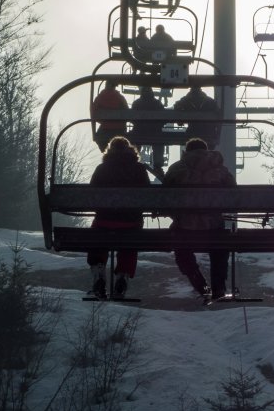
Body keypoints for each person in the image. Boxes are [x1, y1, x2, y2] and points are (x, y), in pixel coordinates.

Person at [163, 137, 235, 300]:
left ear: (186, 151)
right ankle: (218, 287)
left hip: (185, 227)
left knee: (181, 249)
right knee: (220, 249)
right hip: (213, 226)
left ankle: (200, 285)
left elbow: (164, 197)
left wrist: (176, 214)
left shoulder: (177, 168)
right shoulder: (220, 169)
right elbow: (233, 196)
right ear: (207, 150)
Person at [86, 136, 151, 299]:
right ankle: (123, 275)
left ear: (110, 150)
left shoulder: (102, 169)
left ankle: (99, 271)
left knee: (98, 239)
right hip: (131, 223)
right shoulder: (139, 169)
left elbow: (90, 196)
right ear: (130, 150)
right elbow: (149, 196)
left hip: (104, 221)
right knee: (129, 244)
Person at [130, 84, 167, 172]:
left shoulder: (136, 103)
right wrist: (158, 126)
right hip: (155, 132)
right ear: (152, 93)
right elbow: (164, 118)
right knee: (159, 142)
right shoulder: (157, 103)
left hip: (138, 131)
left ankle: (132, 160)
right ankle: (158, 164)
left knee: (135, 141)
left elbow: (132, 118)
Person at [173, 83, 220, 148]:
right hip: (207, 133)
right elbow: (218, 114)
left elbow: (177, 106)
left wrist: (180, 120)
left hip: (195, 132)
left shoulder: (187, 101)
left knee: (194, 150)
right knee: (206, 152)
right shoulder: (209, 101)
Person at [92, 81, 128, 151]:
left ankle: (107, 152)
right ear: (113, 86)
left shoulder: (99, 98)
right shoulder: (120, 98)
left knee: (99, 138)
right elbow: (127, 113)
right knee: (123, 143)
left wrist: (104, 122)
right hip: (120, 129)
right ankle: (118, 153)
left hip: (105, 128)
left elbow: (94, 113)